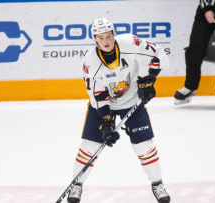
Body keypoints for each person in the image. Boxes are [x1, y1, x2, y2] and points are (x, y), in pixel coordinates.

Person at [66, 17, 171, 203]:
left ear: (114, 34)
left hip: (132, 101)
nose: (105, 41)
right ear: (94, 39)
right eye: (100, 37)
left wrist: (150, 78)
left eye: (108, 36)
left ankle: (157, 183)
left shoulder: (131, 43)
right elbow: (97, 94)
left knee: (145, 146)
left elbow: (159, 54)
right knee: (89, 147)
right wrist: (106, 122)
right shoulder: (90, 62)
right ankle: (77, 184)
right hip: (103, 106)